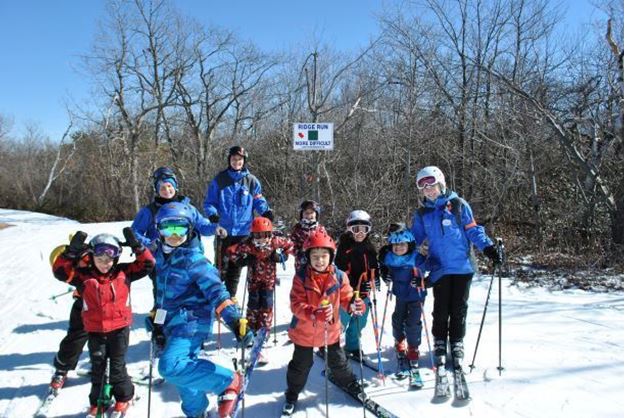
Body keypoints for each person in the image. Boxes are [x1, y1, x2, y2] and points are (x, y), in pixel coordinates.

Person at [151, 201, 254, 418]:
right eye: (167, 228)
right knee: (187, 371)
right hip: (170, 322)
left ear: (190, 230)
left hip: (191, 323)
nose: (174, 235)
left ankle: (229, 381)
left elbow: (218, 293)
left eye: (179, 228)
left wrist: (234, 320)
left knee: (171, 366)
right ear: (158, 230)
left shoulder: (195, 261)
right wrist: (157, 321)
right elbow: (162, 294)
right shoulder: (161, 257)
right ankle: (196, 411)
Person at [52, 229, 154, 417]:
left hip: (119, 330)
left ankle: (124, 396)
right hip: (95, 330)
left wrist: (137, 246)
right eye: (100, 260)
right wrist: (70, 252)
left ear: (115, 259)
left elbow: (148, 264)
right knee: (98, 366)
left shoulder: (124, 272)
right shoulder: (83, 276)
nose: (105, 264)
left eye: (109, 260)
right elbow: (60, 271)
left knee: (116, 367)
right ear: (92, 258)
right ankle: (98, 399)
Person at [409, 166, 502, 372]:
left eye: (431, 185)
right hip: (439, 269)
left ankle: (457, 342)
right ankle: (440, 341)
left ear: (441, 183)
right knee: (441, 309)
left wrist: (488, 248)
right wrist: (401, 252)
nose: (428, 191)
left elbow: (472, 230)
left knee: (459, 309)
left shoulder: (459, 205)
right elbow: (413, 240)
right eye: (423, 188)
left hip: (462, 267)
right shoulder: (423, 213)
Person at [282, 229, 366, 416]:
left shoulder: (339, 276)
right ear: (308, 257)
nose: (319, 261)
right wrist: (313, 313)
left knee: (339, 361)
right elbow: (296, 305)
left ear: (331, 256)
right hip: (305, 332)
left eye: (323, 256)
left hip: (330, 330)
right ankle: (292, 393)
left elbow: (346, 296)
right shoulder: (301, 277)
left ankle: (350, 383)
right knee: (300, 366)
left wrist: (354, 304)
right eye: (315, 256)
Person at [203, 146, 273, 298]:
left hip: (243, 231)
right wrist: (213, 215)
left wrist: (266, 211)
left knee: (236, 267)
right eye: (234, 159)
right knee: (222, 267)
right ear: (229, 160)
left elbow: (258, 200)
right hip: (224, 231)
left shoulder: (251, 181)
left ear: (244, 161)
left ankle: (231, 297)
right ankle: (217, 298)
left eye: (240, 159)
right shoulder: (220, 179)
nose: (237, 162)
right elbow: (210, 202)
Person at [226, 216, 294, 364]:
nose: (261, 240)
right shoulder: (249, 245)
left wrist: (281, 256)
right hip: (254, 282)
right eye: (257, 235)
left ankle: (264, 330)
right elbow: (231, 251)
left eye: (264, 235)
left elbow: (290, 245)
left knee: (267, 305)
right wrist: (242, 261)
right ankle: (250, 329)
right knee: (253, 305)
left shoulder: (275, 241)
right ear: (252, 234)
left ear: (270, 234)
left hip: (269, 281)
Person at [379, 225, 427, 377]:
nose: (398, 248)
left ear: (409, 245)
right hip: (400, 295)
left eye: (402, 244)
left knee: (413, 323)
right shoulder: (389, 258)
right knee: (398, 319)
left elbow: (433, 266)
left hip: (416, 297)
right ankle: (399, 341)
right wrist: (385, 274)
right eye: (395, 245)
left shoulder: (417, 258)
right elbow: (383, 268)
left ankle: (413, 347)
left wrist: (422, 279)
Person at [334, 210, 379, 360]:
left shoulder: (370, 248)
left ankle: (352, 345)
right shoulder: (345, 247)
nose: (360, 233)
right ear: (349, 229)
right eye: (355, 229)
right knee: (342, 320)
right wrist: (355, 286)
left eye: (364, 229)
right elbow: (340, 271)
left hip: (364, 294)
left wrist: (375, 278)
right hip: (347, 294)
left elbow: (373, 266)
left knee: (359, 321)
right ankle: (330, 346)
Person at [289, 200, 328, 271]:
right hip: (301, 263)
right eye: (306, 213)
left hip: (317, 261)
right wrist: (299, 253)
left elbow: (326, 243)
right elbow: (290, 245)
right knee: (302, 280)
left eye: (311, 213)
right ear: (302, 215)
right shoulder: (297, 229)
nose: (309, 215)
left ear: (316, 214)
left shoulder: (320, 229)